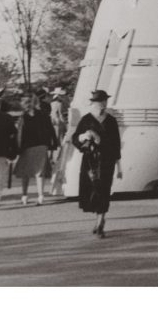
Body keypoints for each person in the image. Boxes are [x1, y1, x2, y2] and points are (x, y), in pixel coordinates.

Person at [72, 90, 123, 238]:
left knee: (104, 189)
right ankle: (98, 217)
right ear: (93, 103)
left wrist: (119, 165)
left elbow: (116, 143)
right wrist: (82, 137)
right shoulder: (86, 120)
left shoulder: (111, 121)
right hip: (90, 161)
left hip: (107, 160)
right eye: (100, 101)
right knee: (92, 190)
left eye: (104, 101)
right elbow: (75, 138)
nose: (103, 104)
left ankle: (100, 222)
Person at [14, 94, 58, 206]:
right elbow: (51, 129)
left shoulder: (23, 117)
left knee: (26, 173)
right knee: (40, 173)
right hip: (42, 146)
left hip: (28, 147)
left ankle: (24, 196)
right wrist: (54, 143)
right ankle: (41, 196)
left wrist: (18, 149)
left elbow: (20, 135)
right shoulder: (43, 115)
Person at [48, 87, 68, 195]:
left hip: (52, 121)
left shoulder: (52, 102)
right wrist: (65, 123)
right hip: (58, 122)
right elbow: (60, 114)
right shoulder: (59, 103)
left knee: (53, 140)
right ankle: (56, 157)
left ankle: (51, 156)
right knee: (59, 140)